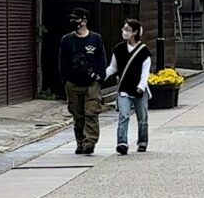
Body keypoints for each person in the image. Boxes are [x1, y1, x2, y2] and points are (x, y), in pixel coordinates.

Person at [56, 9, 109, 155]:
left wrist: (100, 76)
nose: (74, 22)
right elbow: (62, 61)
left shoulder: (95, 39)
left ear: (84, 21)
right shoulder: (67, 40)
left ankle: (89, 142)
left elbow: (101, 58)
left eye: (77, 19)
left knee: (91, 112)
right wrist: (65, 80)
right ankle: (80, 142)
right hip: (73, 83)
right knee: (77, 114)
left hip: (92, 83)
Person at [110, 19, 155, 156]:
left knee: (142, 117)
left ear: (135, 32)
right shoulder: (118, 49)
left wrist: (141, 86)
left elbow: (145, 71)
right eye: (124, 29)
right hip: (124, 88)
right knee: (123, 115)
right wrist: (101, 76)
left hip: (139, 89)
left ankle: (142, 141)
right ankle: (122, 143)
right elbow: (113, 68)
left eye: (127, 30)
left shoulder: (144, 51)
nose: (124, 32)